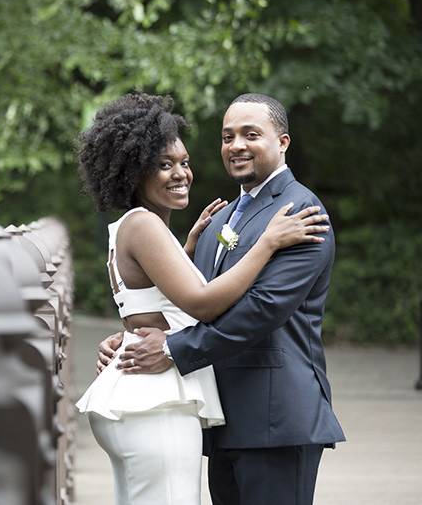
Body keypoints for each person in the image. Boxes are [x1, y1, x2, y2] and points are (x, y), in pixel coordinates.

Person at [75, 93, 331, 505]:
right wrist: (134, 334)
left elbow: (261, 309)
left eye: (251, 134)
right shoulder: (220, 218)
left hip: (275, 417)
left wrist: (171, 347)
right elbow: (193, 298)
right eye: (228, 136)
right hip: (217, 416)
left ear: (282, 141)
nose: (237, 145)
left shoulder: (300, 213)